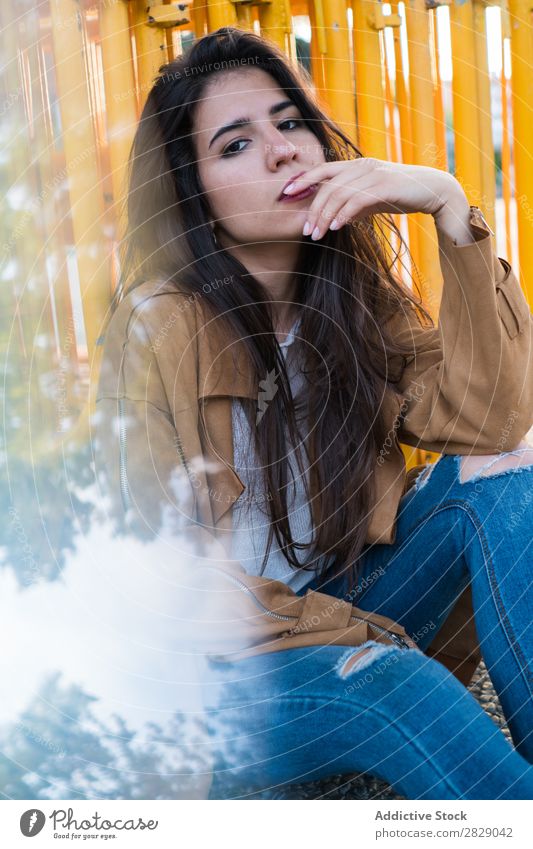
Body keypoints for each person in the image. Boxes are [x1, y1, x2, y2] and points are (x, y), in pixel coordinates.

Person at [94, 27, 533, 799]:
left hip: (328, 612)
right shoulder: (157, 326)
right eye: (234, 144)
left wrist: (446, 202)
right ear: (189, 192)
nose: (281, 151)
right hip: (217, 680)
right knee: (395, 685)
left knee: (511, 472)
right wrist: (365, 642)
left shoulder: (345, 301)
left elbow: (492, 419)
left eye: (289, 122)